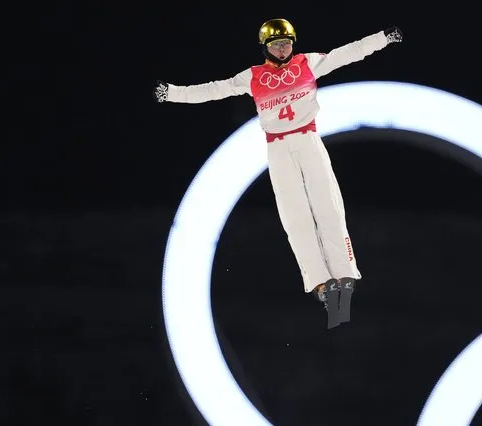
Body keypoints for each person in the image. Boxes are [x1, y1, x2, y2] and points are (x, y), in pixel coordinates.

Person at [153, 18, 404, 329]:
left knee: (327, 205)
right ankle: (319, 282)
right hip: (278, 148)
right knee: (294, 215)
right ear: (265, 48)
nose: (282, 49)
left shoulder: (308, 64)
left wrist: (383, 37)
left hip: (307, 139)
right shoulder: (253, 77)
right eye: (275, 45)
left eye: (286, 43)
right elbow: (214, 90)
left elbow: (348, 53)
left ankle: (345, 272)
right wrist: (174, 93)